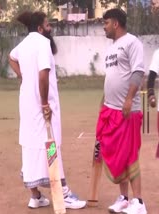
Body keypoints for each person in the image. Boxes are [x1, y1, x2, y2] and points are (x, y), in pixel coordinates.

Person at [8, 11, 86, 210]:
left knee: (30, 145)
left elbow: (11, 57)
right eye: (48, 25)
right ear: (41, 28)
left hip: (27, 106)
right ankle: (63, 193)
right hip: (43, 108)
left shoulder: (24, 44)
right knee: (52, 146)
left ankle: (35, 196)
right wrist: (44, 103)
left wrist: (23, 78)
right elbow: (43, 74)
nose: (51, 28)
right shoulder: (42, 43)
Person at [96, 8, 147, 214]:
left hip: (128, 111)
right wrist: (103, 102)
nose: (104, 26)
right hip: (111, 110)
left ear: (115, 23)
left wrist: (128, 99)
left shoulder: (132, 42)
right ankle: (124, 199)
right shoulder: (111, 48)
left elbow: (138, 72)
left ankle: (139, 203)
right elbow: (111, 78)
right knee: (117, 155)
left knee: (130, 155)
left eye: (106, 22)